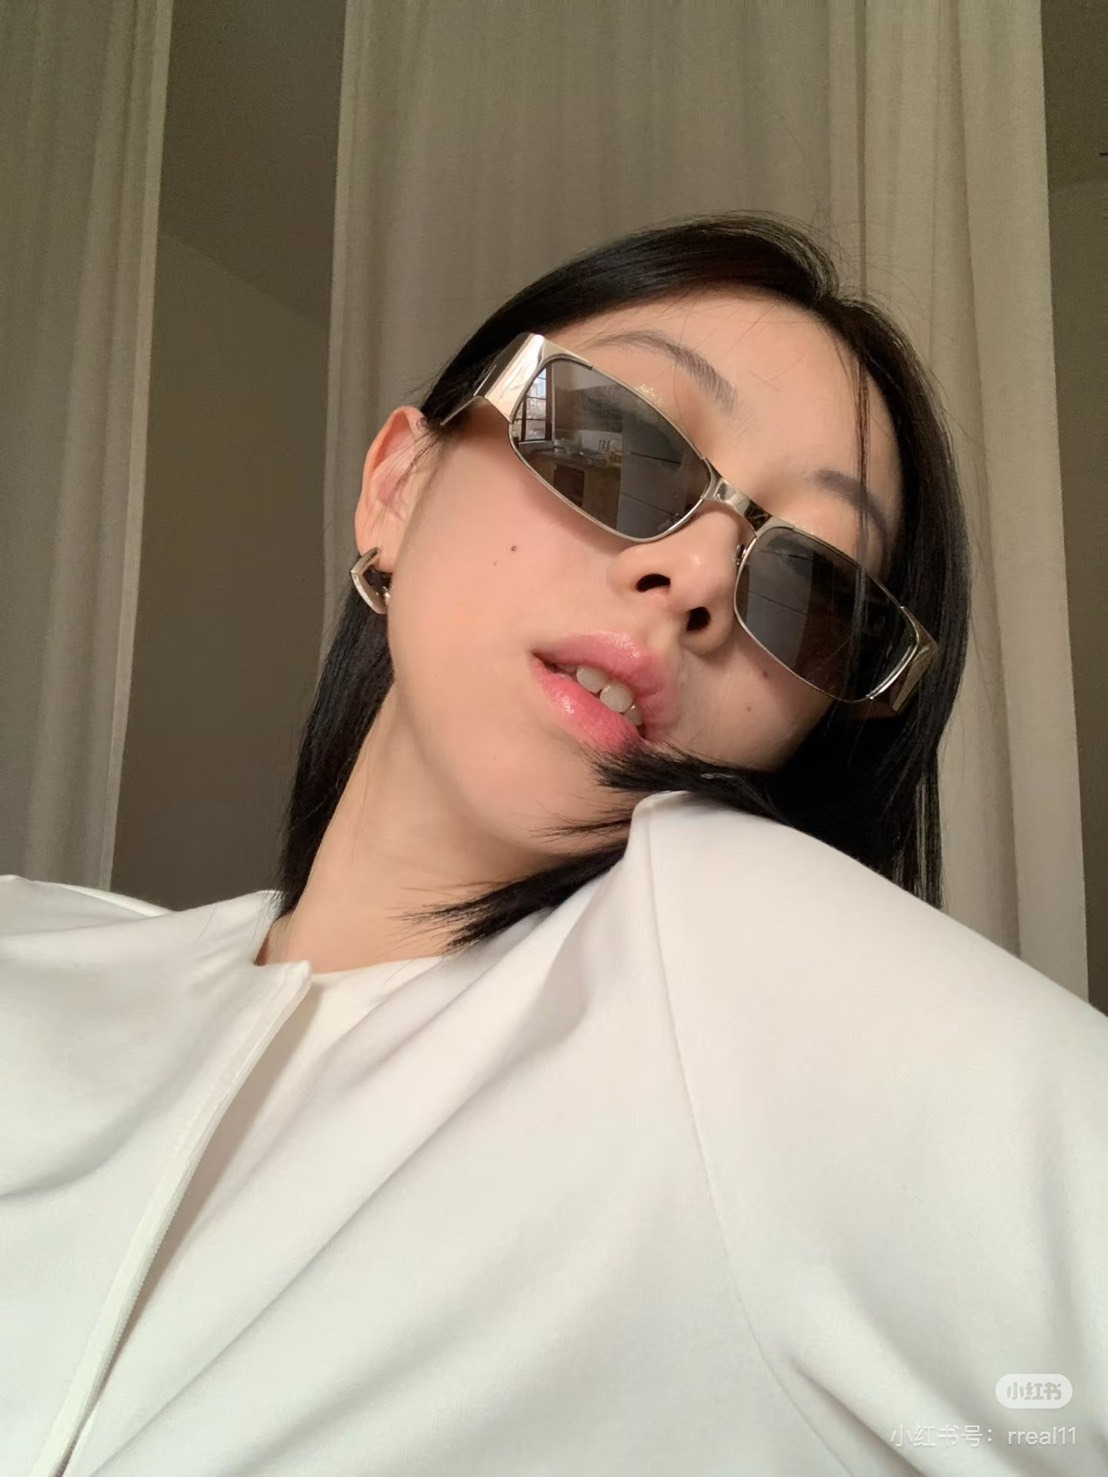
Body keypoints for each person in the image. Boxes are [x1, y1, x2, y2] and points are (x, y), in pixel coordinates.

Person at [2, 215, 1104, 1477]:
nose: (699, 574)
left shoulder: (752, 976)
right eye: (617, 440)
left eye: (813, 590)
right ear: (398, 487)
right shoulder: (30, 948)